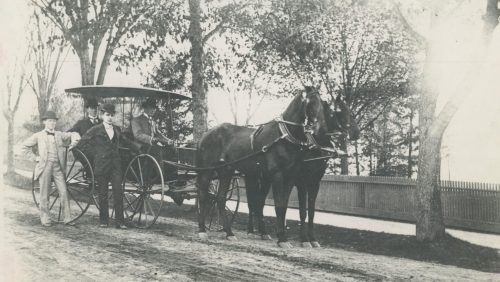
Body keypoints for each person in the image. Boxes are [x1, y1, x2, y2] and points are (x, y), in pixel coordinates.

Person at [78, 103, 140, 229]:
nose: (110, 118)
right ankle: (104, 221)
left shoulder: (116, 129)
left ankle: (119, 222)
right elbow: (82, 143)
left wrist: (139, 148)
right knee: (103, 193)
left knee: (118, 192)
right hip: (102, 165)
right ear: (102, 115)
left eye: (112, 115)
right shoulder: (96, 129)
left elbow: (125, 141)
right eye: (107, 115)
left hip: (116, 165)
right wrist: (95, 154)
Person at [21, 111, 81, 227]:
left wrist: (74, 142)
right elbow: (24, 147)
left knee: (63, 192)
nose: (52, 123)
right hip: (45, 167)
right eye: (49, 121)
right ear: (44, 122)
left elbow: (74, 134)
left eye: (54, 121)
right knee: (44, 193)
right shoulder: (38, 135)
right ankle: (45, 219)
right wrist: (35, 158)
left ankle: (67, 218)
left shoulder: (59, 134)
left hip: (58, 167)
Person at [131, 98, 184, 204]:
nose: (153, 110)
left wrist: (169, 141)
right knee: (157, 149)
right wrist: (151, 139)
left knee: (172, 150)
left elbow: (159, 134)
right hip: (141, 147)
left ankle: (172, 176)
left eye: (154, 108)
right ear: (145, 108)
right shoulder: (136, 120)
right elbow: (138, 134)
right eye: (151, 108)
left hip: (151, 147)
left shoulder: (152, 122)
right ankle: (161, 176)